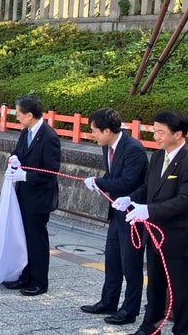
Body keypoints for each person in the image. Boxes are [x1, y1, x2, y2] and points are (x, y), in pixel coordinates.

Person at [113, 109, 188, 335]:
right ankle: (151, 325)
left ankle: (182, 330)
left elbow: (184, 199)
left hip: (178, 236)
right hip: (154, 234)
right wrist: (130, 199)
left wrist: (149, 210)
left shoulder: (186, 160)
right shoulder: (156, 157)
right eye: (154, 131)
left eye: (161, 132)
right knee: (154, 284)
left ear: (178, 134)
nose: (156, 136)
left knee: (180, 288)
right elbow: (147, 188)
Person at [80, 108, 148, 325]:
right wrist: (99, 182)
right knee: (112, 260)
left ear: (107, 130)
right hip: (116, 212)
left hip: (132, 213)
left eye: (94, 131)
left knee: (131, 265)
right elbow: (111, 175)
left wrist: (97, 182)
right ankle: (108, 301)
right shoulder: (107, 146)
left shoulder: (133, 149)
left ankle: (129, 310)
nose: (92, 135)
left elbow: (127, 182)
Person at [2, 94, 61, 296]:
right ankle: (25, 276)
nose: (17, 117)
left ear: (29, 115)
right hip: (23, 195)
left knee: (37, 240)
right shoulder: (25, 132)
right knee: (24, 238)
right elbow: (18, 152)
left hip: (39, 197)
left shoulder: (49, 137)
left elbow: (52, 171)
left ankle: (39, 281)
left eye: (19, 113)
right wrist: (13, 159)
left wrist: (26, 175)